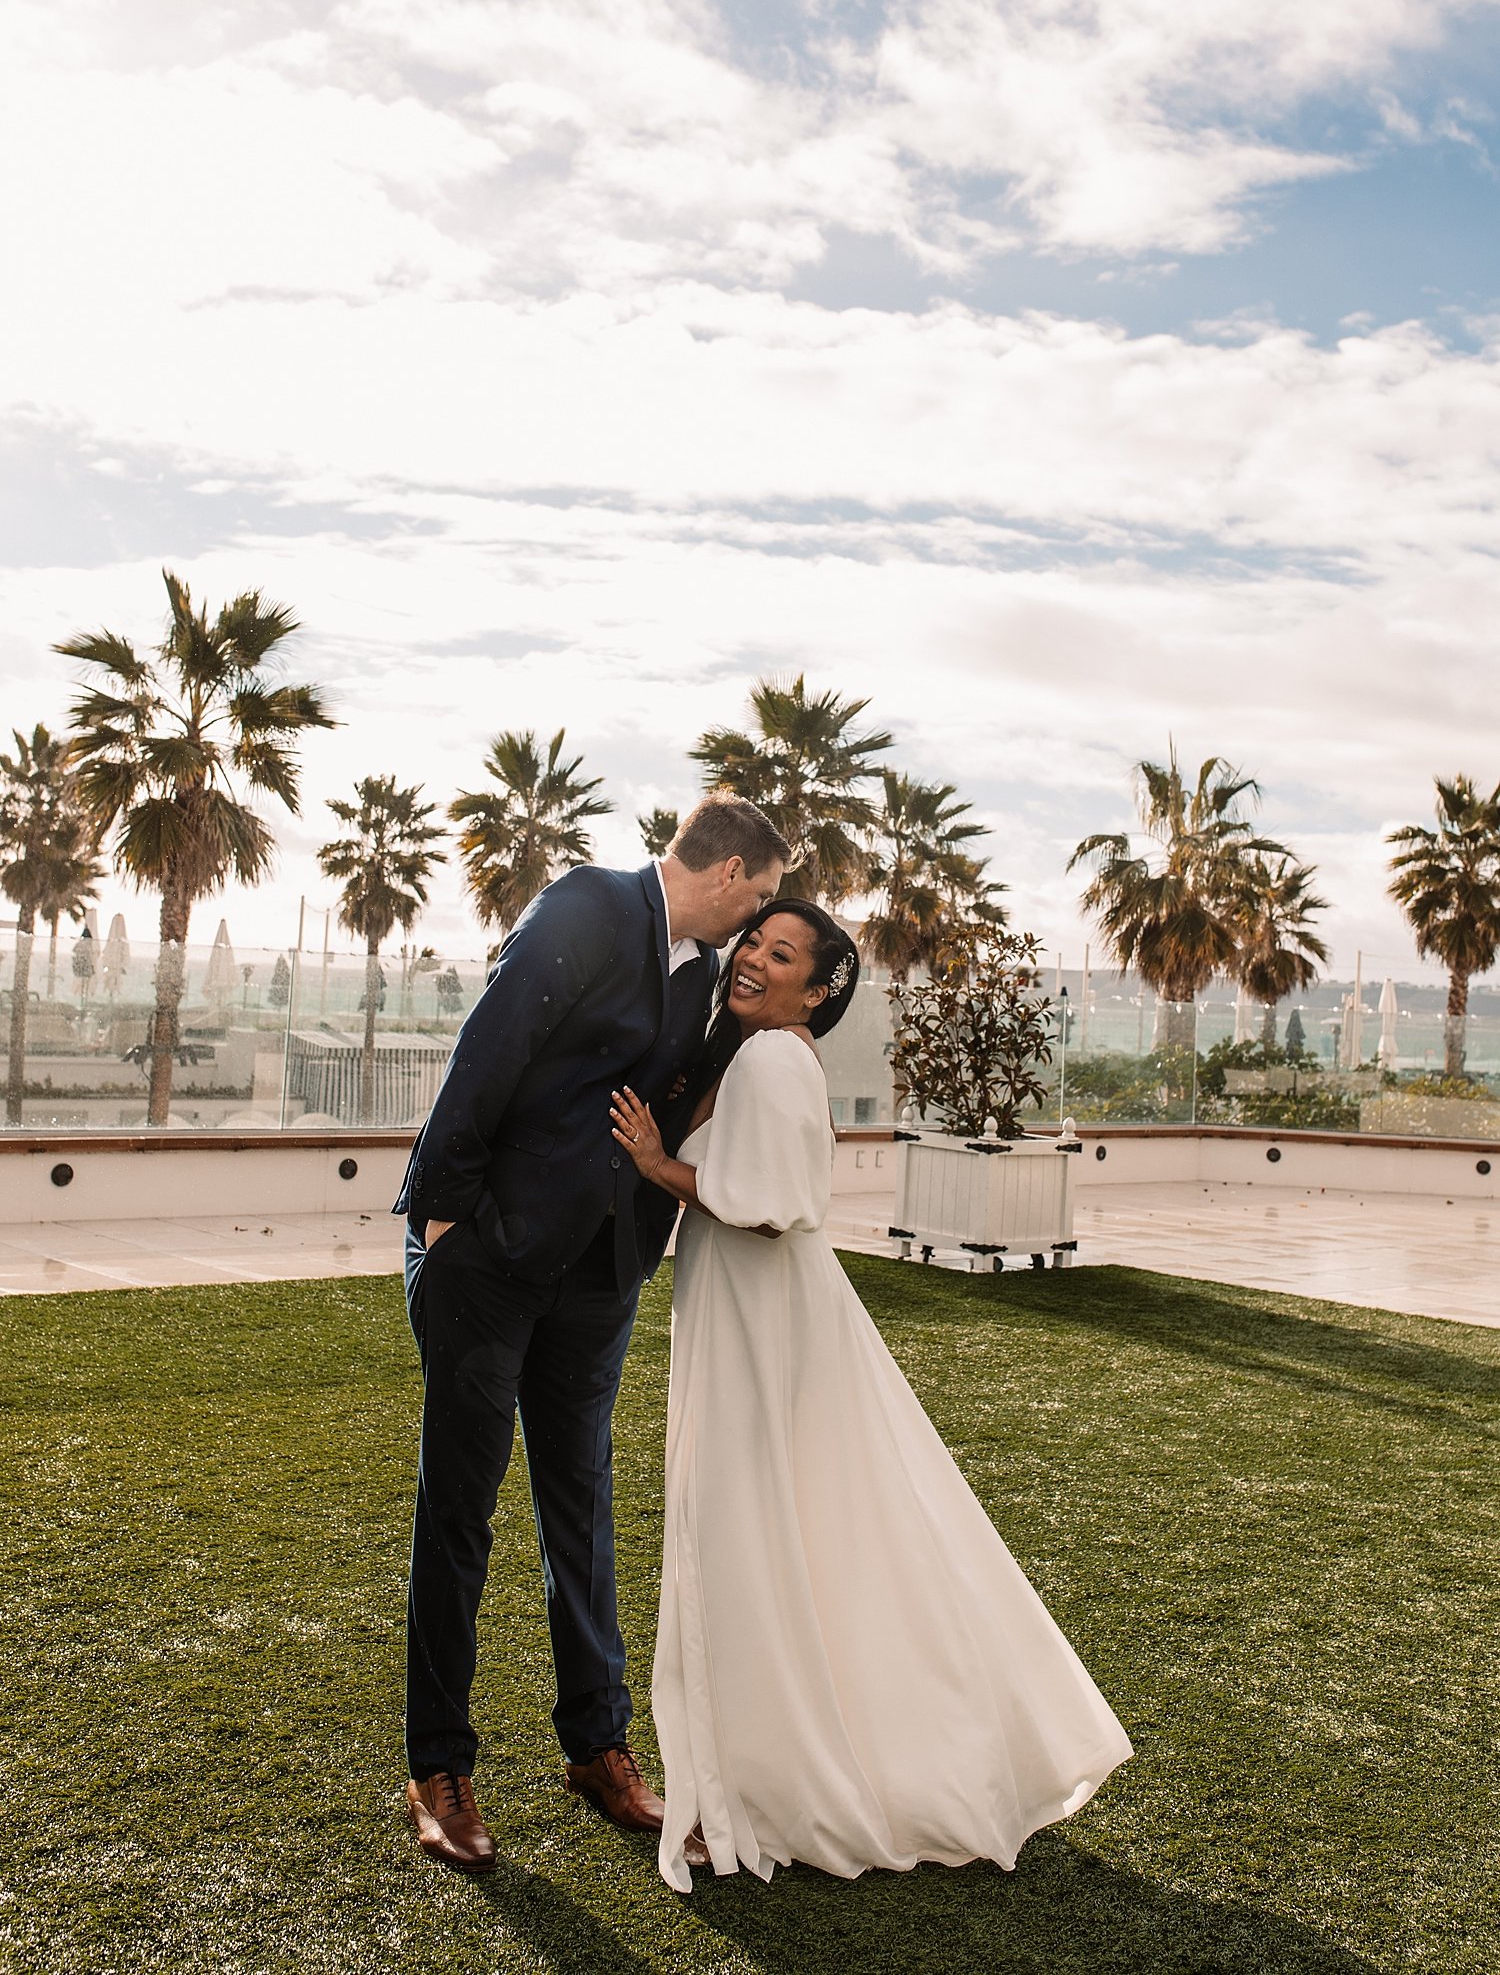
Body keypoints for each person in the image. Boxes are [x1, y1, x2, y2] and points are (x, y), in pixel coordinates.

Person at [609, 903, 1133, 1892]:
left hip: (760, 1318)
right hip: (770, 1315)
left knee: (746, 1537)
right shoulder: (779, 1054)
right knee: (796, 1531)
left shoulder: (768, 1060)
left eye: (782, 956)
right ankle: (785, 1765)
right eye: (754, 945)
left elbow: (765, 1210)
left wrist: (653, 1165)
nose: (754, 963)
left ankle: (760, 1790)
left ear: (819, 991)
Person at [396, 795, 790, 1871]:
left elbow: (684, 1093)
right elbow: (489, 1050)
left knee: (582, 1509)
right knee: (460, 1511)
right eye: (755, 898)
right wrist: (441, 1216)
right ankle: (439, 1767)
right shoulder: (585, 907)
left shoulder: (705, 977)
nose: (755, 920)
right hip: (490, 1258)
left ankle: (596, 1747)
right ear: (728, 870)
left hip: (603, 1274)